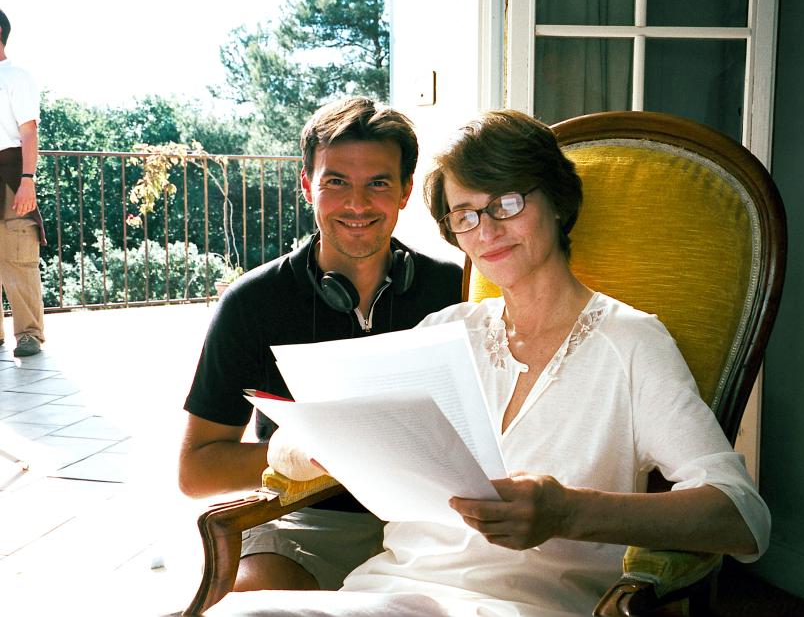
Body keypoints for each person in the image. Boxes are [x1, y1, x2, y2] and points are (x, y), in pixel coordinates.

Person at [207, 110, 770, 617]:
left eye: (505, 203)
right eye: (465, 215)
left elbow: (742, 516)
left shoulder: (631, 343)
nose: (488, 231)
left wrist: (568, 513)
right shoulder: (442, 332)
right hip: (389, 593)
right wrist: (310, 442)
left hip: (528, 605)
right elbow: (293, 455)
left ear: (555, 200)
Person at [178, 97, 463, 593]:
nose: (357, 204)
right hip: (306, 524)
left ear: (405, 192)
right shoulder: (251, 303)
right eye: (336, 182)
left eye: (378, 183)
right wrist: (310, 452)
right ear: (307, 184)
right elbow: (196, 470)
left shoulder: (454, 290)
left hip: (436, 527)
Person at [0, 8, 46, 358]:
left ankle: (29, 333)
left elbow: (29, 133)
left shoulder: (16, 77)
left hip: (11, 172)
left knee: (19, 254)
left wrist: (28, 179)